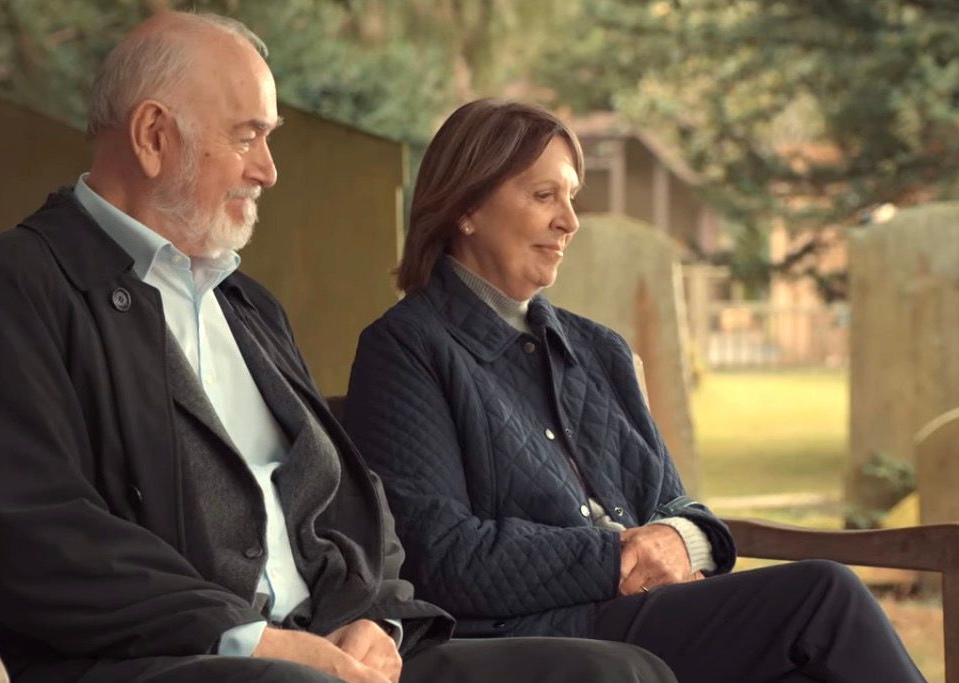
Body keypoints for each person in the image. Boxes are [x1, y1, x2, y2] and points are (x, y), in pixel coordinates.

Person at [0, 13, 676, 683]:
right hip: (152, 661)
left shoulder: (246, 307)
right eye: (248, 138)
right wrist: (265, 642)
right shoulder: (12, 286)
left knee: (616, 671)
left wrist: (379, 619)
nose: (268, 170)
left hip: (320, 652)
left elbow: (354, 503)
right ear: (153, 135)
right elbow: (31, 530)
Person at [343, 98, 927, 683]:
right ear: (466, 207)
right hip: (536, 635)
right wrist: (620, 556)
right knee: (822, 596)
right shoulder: (406, 349)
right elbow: (441, 555)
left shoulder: (598, 350)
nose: (569, 221)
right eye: (544, 196)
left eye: (571, 197)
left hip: (648, 615)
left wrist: (677, 543)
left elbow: (679, 511)